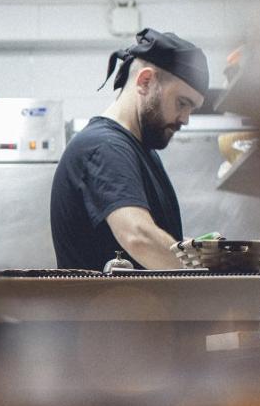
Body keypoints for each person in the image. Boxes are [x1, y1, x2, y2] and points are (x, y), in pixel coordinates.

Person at [50, 28, 209, 270]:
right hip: (103, 308)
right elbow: (138, 236)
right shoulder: (104, 146)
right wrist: (210, 283)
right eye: (182, 102)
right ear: (145, 81)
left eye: (192, 108)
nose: (186, 118)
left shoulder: (139, 151)